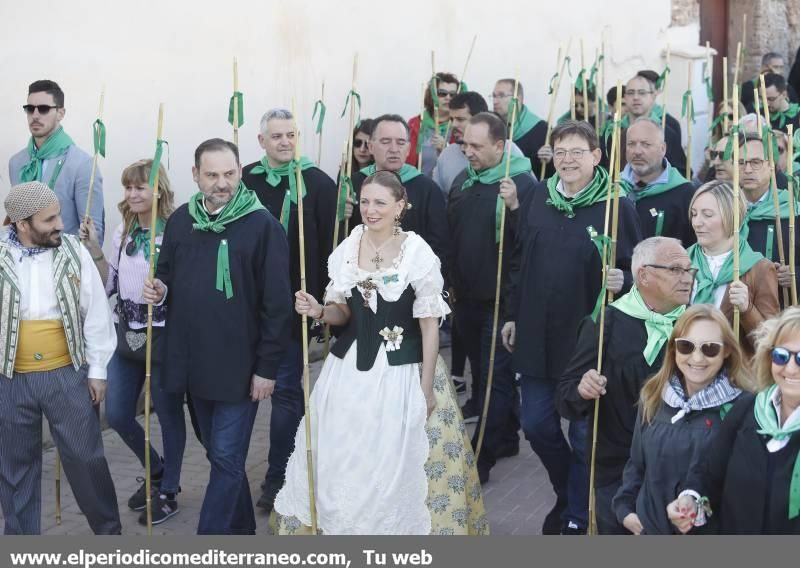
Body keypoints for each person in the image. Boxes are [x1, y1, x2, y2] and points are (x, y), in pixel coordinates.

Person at [273, 171, 488, 535]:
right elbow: (343, 313)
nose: (370, 210)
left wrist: (425, 387)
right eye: (365, 201)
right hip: (349, 370)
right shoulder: (347, 247)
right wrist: (320, 311)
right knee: (344, 455)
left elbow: (429, 324)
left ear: (400, 206)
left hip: (403, 371)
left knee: (395, 460)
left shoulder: (416, 251)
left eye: (380, 203)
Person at [143, 138, 293, 535]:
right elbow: (169, 273)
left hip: (241, 369)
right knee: (220, 456)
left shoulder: (263, 226)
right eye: (212, 175)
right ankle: (241, 532)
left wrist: (267, 369)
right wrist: (160, 288)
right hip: (193, 364)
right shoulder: (180, 220)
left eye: (229, 173)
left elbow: (277, 307)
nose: (222, 183)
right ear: (195, 176)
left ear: (240, 172)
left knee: (226, 457)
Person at [503, 120, 642, 534]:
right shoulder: (536, 199)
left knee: (584, 438)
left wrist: (625, 279)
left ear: (597, 157)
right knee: (537, 425)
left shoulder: (617, 206)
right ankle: (568, 493)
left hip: (589, 341)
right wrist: (512, 313)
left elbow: (639, 268)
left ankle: (578, 516)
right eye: (560, 152)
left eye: (577, 152)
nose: (567, 160)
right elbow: (517, 261)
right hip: (536, 334)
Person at [0, 182, 119, 535]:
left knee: (86, 459)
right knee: (15, 468)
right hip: (10, 379)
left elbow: (96, 312)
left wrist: (97, 370)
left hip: (67, 375)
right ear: (23, 224)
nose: (59, 224)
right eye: (49, 219)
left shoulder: (73, 251)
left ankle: (109, 534)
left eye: (58, 216)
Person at [556, 237, 693, 534]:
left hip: (681, 471)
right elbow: (565, 396)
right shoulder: (606, 323)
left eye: (688, 270)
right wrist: (583, 388)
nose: (686, 278)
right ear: (643, 275)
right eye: (675, 269)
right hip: (618, 471)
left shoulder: (697, 326)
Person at [79, 159, 186, 526]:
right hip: (126, 334)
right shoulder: (123, 230)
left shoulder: (174, 231)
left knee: (169, 413)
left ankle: (169, 489)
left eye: (141, 186)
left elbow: (182, 284)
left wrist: (163, 290)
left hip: (165, 334)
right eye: (128, 187)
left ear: (158, 189)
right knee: (119, 412)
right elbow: (109, 284)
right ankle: (155, 469)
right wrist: (94, 249)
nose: (133, 193)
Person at [241, 108, 337, 513]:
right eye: (275, 136)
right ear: (261, 141)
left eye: (290, 135)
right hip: (247, 304)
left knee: (285, 393)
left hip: (294, 305)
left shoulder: (316, 182)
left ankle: (278, 474)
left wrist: (320, 303)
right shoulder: (245, 179)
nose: (284, 142)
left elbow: (333, 248)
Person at [449, 112, 536, 483]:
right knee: (483, 373)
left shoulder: (522, 184)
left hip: (502, 300)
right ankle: (506, 436)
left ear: (500, 147)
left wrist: (514, 208)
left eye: (476, 146)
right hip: (466, 298)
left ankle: (479, 459)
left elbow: (529, 244)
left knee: (493, 380)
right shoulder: (463, 180)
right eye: (464, 144)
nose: (467, 152)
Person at [612, 304, 749, 534]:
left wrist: (697, 511)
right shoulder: (654, 395)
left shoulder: (742, 408)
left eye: (710, 349)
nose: (696, 358)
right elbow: (637, 464)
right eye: (686, 346)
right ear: (674, 349)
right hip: (650, 531)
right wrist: (625, 509)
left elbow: (739, 487)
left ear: (727, 351)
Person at [668, 307, 800, 534]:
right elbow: (709, 474)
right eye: (781, 356)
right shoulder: (747, 409)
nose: (790, 368)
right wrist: (691, 501)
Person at [687, 180, 779, 357]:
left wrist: (747, 309)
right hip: (687, 368)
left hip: (734, 376)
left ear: (733, 217)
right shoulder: (682, 262)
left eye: (707, 215)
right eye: (694, 214)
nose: (697, 222)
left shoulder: (759, 268)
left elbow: (770, 344)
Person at [8, 80, 105, 243]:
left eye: (44, 109)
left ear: (61, 113)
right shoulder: (17, 163)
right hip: (23, 263)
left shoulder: (82, 164)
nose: (35, 115)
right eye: (30, 109)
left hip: (64, 264)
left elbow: (94, 235)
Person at [351, 114, 448, 269]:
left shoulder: (427, 189)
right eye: (385, 141)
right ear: (371, 146)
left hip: (411, 279)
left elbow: (438, 244)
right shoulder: (354, 183)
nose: (394, 149)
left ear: (409, 148)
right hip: (363, 275)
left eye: (401, 142)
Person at [737, 134, 800, 306]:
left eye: (755, 162)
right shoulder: (725, 208)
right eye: (741, 162)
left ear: (771, 165)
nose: (747, 169)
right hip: (734, 307)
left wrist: (795, 274)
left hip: (783, 310)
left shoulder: (791, 209)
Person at [621, 118, 696, 245]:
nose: (637, 151)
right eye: (631, 144)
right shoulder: (613, 188)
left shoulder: (685, 194)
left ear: (663, 149)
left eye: (646, 144)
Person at [601, 73, 687, 173]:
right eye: (631, 92)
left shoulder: (666, 132)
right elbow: (603, 169)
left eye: (642, 93)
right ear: (625, 97)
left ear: (653, 97)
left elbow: (680, 171)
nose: (636, 97)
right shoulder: (612, 131)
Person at [407, 72, 459, 177]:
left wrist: (446, 149)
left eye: (452, 94)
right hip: (420, 187)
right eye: (442, 93)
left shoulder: (459, 126)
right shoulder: (416, 123)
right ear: (432, 95)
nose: (448, 97)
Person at [491, 79, 549, 167]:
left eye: (501, 96)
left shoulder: (542, 129)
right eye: (494, 96)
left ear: (518, 99)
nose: (495, 101)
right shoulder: (490, 127)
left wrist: (549, 160)